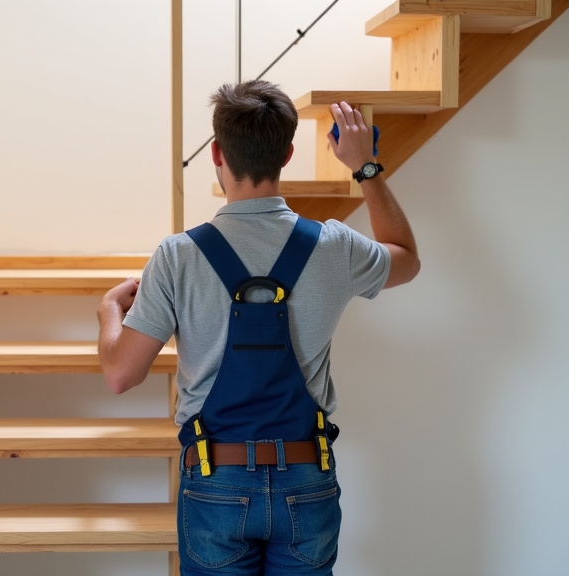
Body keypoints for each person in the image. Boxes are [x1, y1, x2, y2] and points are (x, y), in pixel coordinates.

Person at [97, 80, 419, 575]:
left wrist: (109, 314)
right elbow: (406, 258)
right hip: (306, 480)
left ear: (217, 154)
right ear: (288, 154)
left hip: (215, 480)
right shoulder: (334, 246)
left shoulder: (177, 257)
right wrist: (364, 167)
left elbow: (121, 374)